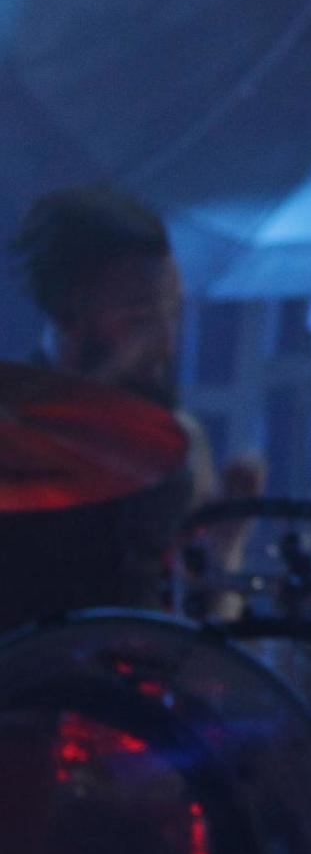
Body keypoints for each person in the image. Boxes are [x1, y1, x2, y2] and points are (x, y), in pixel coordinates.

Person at [3, 187, 259, 629]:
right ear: (67, 316)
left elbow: (209, 638)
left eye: (172, 315)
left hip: (139, 688)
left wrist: (225, 548)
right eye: (140, 319)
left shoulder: (180, 442)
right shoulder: (12, 434)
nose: (165, 344)